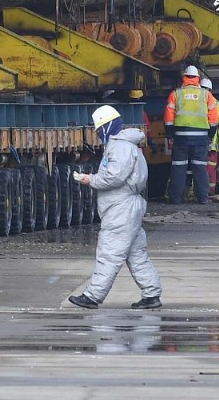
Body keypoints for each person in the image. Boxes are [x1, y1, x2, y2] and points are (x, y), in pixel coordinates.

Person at [67, 105, 162, 311]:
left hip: (121, 209)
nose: (98, 133)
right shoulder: (127, 145)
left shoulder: (120, 147)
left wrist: (89, 179)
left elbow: (114, 177)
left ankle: (92, 296)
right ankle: (151, 293)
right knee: (136, 255)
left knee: (109, 253)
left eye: (99, 128)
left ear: (107, 126)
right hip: (128, 207)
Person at [163, 65, 219, 205]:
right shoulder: (206, 95)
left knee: (178, 167)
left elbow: (168, 118)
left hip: (180, 138)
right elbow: (214, 119)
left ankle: (175, 199)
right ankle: (203, 198)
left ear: (184, 77)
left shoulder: (175, 94)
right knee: (200, 168)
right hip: (200, 138)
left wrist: (170, 136)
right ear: (197, 78)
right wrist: (209, 136)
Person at [201, 78, 219, 195]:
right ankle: (210, 192)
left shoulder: (194, 99)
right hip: (210, 141)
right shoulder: (213, 101)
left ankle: (200, 192)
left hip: (197, 139)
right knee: (211, 167)